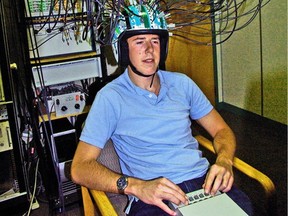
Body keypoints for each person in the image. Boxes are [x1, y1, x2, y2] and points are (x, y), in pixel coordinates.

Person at [71, 4, 252, 216]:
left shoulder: (183, 84)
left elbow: (222, 131)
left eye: (155, 41)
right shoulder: (110, 98)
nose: (149, 50)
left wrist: (224, 161)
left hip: (204, 183)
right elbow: (80, 167)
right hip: (153, 196)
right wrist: (136, 186)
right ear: (123, 50)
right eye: (139, 41)